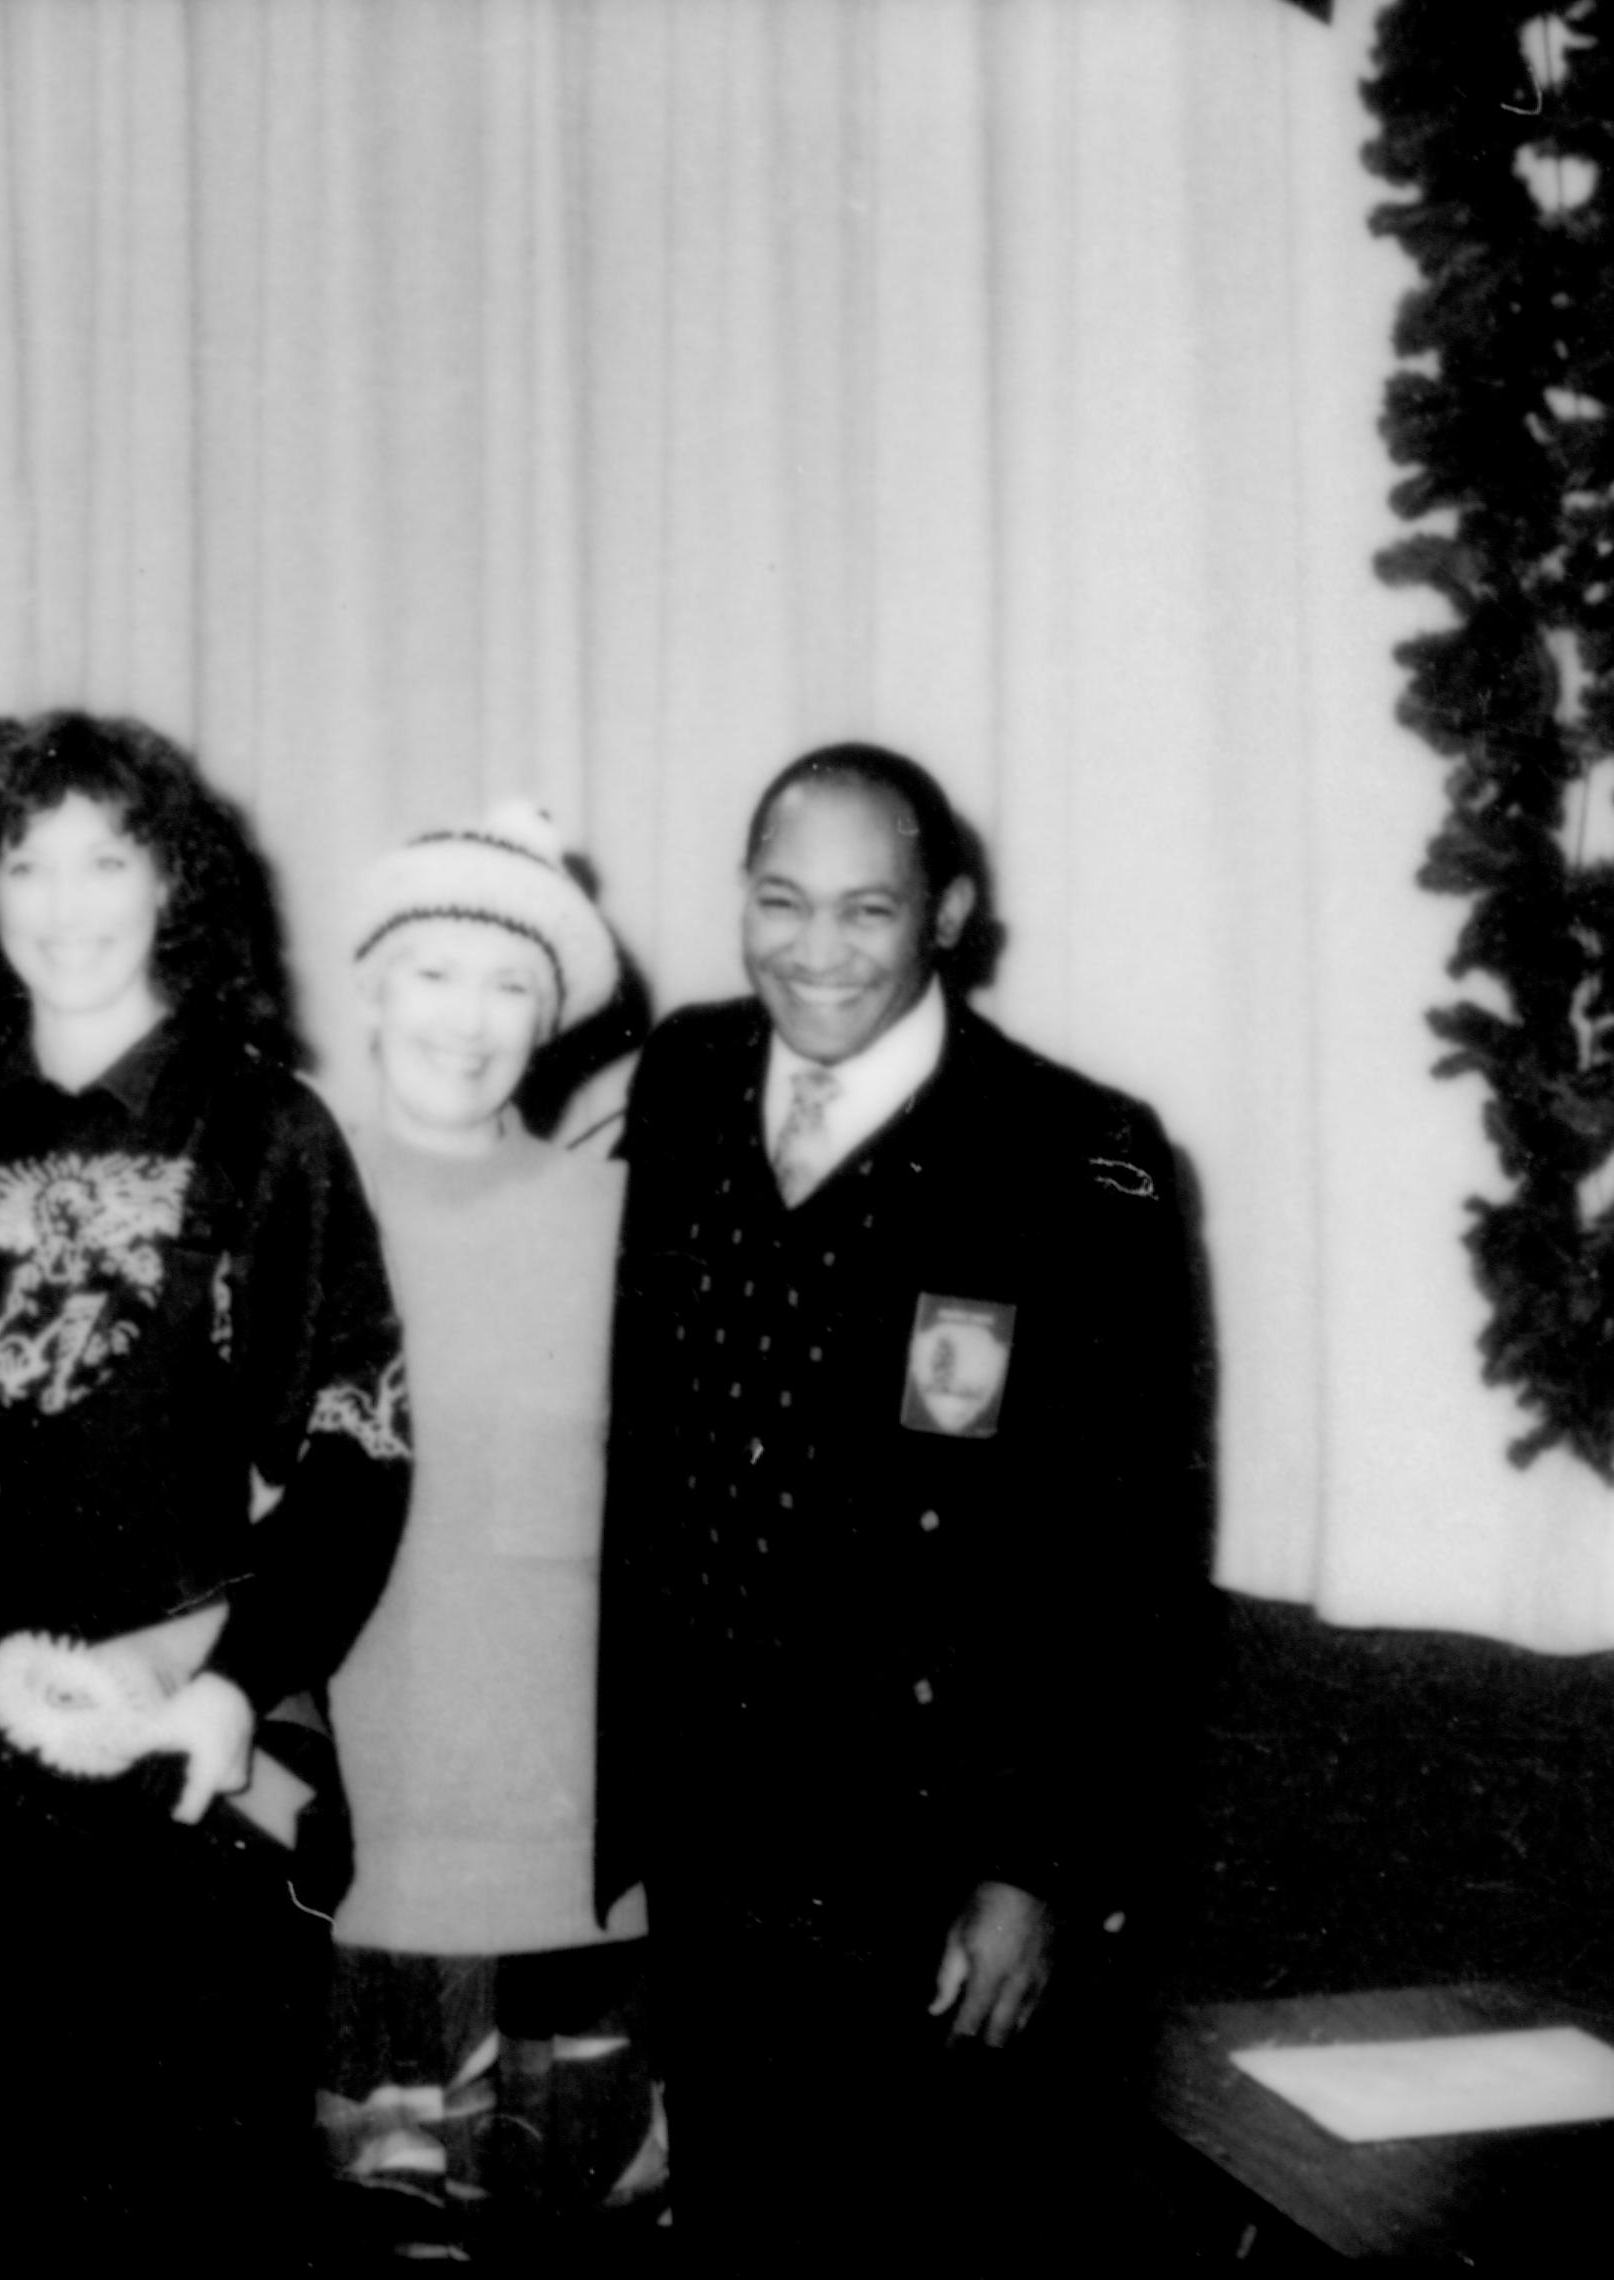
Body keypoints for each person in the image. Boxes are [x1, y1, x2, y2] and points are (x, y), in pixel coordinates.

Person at [594, 743, 1208, 2258]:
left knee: (923, 2267)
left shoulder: (1085, 1152)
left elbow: (1131, 1545)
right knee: (732, 2235)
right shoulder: (678, 1078)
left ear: (949, 912)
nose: (817, 952)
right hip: (710, 1823)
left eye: (866, 910)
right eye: (781, 903)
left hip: (931, 1841)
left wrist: (1038, 1866)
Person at [0, 709, 411, 2255]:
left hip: (188, 1770)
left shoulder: (265, 1130)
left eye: (104, 857)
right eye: (23, 861)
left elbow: (354, 1454)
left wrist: (237, 1681)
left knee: (195, 2223)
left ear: (172, 880)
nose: (65, 901)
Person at [317, 802, 666, 2254]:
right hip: (344, 1881)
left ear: (552, 1018)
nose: (468, 1019)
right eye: (435, 972)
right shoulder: (289, 1196)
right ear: (375, 985)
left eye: (511, 982)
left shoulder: (626, 1222)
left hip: (584, 1890)